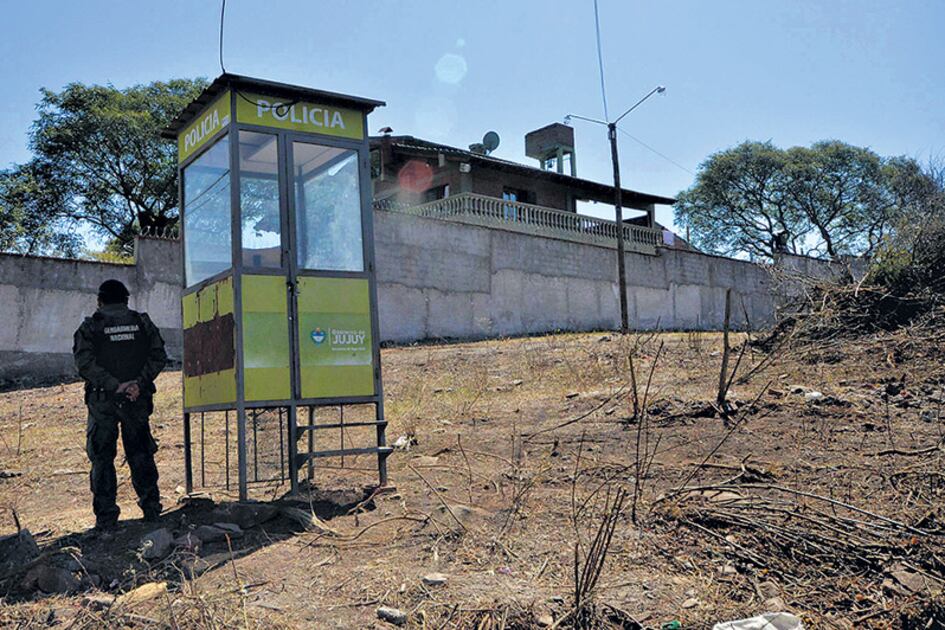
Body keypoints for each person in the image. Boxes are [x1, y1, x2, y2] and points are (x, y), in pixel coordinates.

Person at [73, 279, 167, 530]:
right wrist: (137, 383)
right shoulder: (142, 322)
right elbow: (158, 356)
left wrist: (114, 385)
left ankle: (106, 518)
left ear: (100, 301)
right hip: (136, 400)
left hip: (103, 402)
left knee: (102, 458)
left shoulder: (91, 326)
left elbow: (84, 364)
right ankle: (151, 510)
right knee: (141, 453)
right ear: (126, 300)